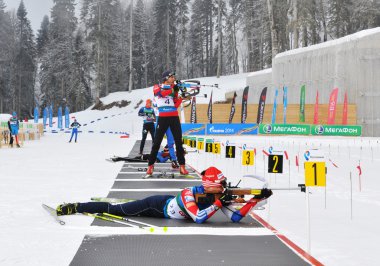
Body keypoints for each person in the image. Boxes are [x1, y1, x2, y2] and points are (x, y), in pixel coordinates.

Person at [55, 167, 273, 224]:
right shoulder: (190, 194)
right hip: (156, 206)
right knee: (116, 210)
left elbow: (235, 217)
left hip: (172, 205)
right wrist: (218, 203)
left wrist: (256, 199)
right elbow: (198, 218)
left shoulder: (215, 195)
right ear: (210, 186)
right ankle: (76, 206)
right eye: (221, 184)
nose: (225, 187)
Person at [146, 70, 188, 176]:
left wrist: (181, 98)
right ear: (166, 78)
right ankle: (150, 166)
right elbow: (162, 93)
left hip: (174, 117)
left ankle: (182, 167)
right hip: (163, 118)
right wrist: (173, 88)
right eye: (172, 76)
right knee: (157, 143)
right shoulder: (157, 87)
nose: (174, 78)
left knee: (179, 143)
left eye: (174, 76)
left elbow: (174, 105)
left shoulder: (173, 89)